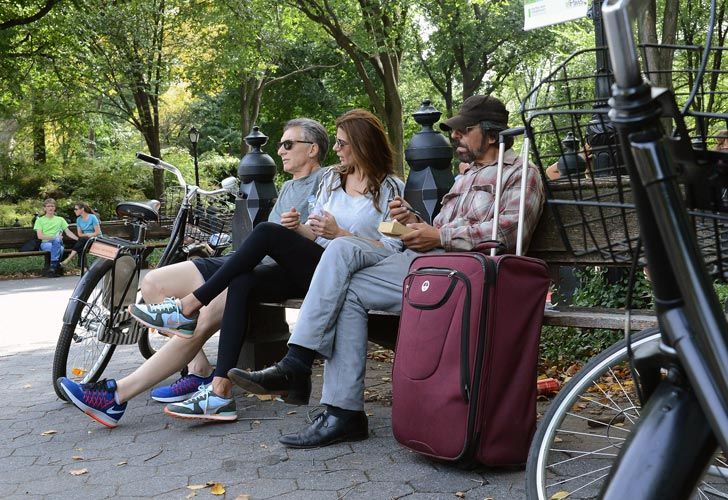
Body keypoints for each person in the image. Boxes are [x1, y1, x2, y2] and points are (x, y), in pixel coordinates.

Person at [228, 95, 545, 448]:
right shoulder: (465, 175)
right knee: (345, 275)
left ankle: (300, 366)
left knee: (344, 256)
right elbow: (436, 229)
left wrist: (438, 234)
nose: (455, 137)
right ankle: (342, 412)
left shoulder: (520, 173)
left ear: (491, 134)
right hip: (429, 266)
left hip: (471, 276)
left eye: (463, 130)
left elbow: (506, 235)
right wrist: (412, 222)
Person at [57, 112, 405, 427]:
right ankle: (219, 392)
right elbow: (316, 235)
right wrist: (300, 228)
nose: (338, 150)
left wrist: (340, 234)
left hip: (345, 272)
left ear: (363, 144)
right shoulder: (334, 181)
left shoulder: (390, 188)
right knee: (243, 278)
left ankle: (188, 307)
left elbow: (391, 249)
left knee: (266, 233)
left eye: (342, 143)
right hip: (311, 261)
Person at [33, 198, 78, 277]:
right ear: (44, 208)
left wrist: (78, 239)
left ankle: (51, 268)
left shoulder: (60, 219)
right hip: (45, 243)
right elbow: (39, 236)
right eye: (48, 206)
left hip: (57, 243)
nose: (50, 208)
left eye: (52, 206)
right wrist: (54, 237)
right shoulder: (40, 220)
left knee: (58, 245)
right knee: (60, 248)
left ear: (55, 208)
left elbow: (68, 232)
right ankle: (54, 267)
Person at [61, 203, 102, 267]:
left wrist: (89, 234)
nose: (74, 211)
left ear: (82, 209)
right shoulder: (78, 220)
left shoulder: (92, 217)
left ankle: (69, 259)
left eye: (76, 209)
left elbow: (97, 232)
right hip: (85, 240)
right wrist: (87, 235)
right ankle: (84, 267)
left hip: (96, 239)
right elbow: (79, 234)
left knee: (81, 241)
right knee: (81, 243)